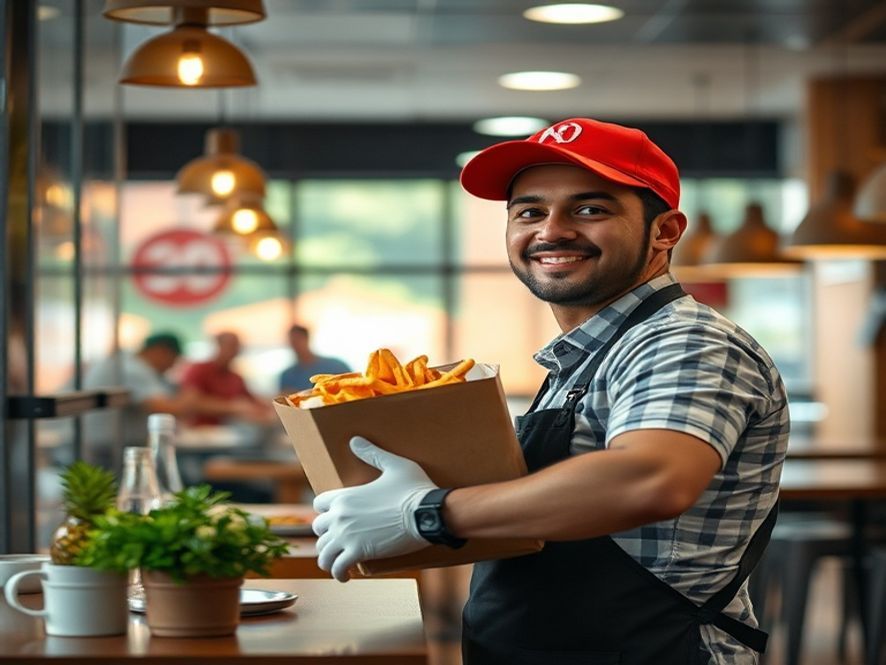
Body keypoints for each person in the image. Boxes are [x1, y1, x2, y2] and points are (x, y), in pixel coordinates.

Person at [310, 118, 790, 664]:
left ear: (665, 231)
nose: (551, 230)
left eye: (590, 209)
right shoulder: (587, 356)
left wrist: (430, 512)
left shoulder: (684, 340)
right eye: (530, 212)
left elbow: (651, 477)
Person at [79, 332, 244, 469]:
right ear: (160, 352)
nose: (172, 366)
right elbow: (169, 408)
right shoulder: (133, 369)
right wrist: (193, 389)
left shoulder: (138, 367)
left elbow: (178, 398)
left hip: (118, 448)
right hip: (107, 452)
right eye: (173, 360)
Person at [179, 330, 273, 427]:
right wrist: (232, 408)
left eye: (237, 347)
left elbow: (254, 402)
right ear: (218, 346)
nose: (234, 351)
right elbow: (191, 403)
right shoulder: (199, 369)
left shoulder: (236, 378)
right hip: (199, 430)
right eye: (230, 346)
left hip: (227, 431)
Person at [279, 324, 351, 393]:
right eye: (293, 341)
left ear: (307, 339)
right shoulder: (287, 376)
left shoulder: (336, 366)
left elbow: (353, 388)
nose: (295, 345)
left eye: (298, 340)